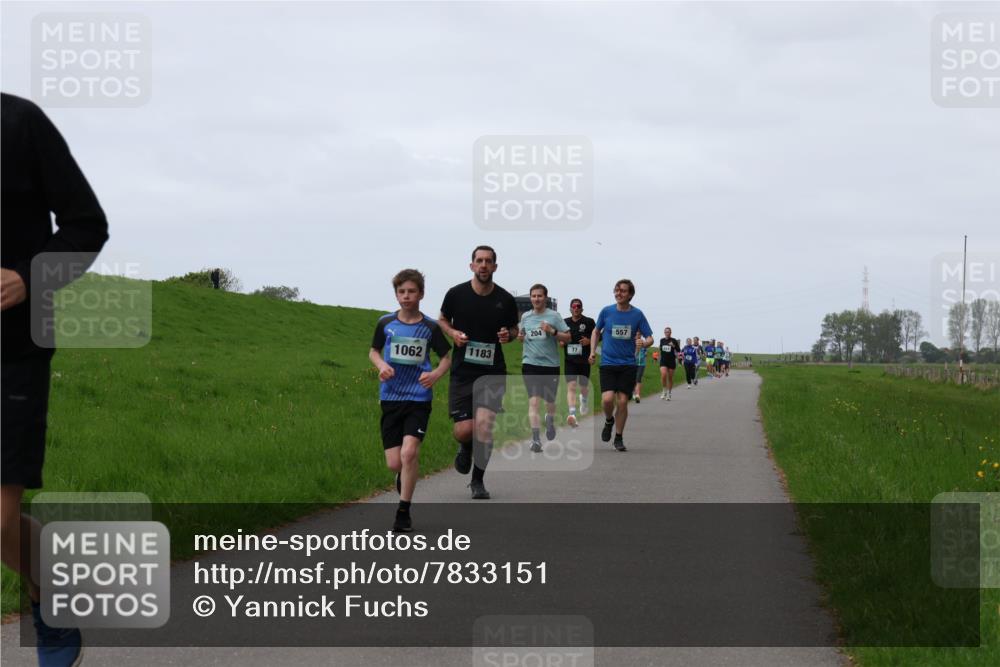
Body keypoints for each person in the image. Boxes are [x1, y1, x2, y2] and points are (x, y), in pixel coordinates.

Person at [2, 92, 109, 667]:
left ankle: (51, 595)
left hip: (11, 351)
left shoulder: (20, 123)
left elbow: (86, 226)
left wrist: (27, 277)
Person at [369, 269, 451, 532]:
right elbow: (373, 351)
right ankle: (403, 475)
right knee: (395, 462)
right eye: (401, 292)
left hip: (418, 397)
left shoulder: (429, 327)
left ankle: (403, 512)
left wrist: (435, 374)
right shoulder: (385, 323)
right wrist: (381, 365)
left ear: (421, 294)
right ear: (396, 294)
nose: (406, 296)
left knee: (409, 452)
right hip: (391, 396)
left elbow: (447, 357)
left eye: (411, 291)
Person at [438, 246, 519, 499]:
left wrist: (509, 335)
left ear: (495, 267)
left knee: (484, 426)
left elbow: (515, 330)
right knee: (464, 430)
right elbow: (441, 319)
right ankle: (465, 447)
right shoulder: (456, 294)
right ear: (472, 265)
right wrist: (453, 333)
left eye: (488, 261)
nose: (483, 265)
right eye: (479, 261)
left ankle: (477, 481)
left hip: (493, 371)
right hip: (463, 371)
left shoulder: (505, 299)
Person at [589, 279, 653, 452]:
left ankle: (618, 437)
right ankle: (609, 420)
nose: (619, 293)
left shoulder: (637, 314)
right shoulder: (606, 311)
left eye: (623, 291)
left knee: (623, 402)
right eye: (617, 290)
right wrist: (592, 351)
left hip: (628, 364)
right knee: (607, 399)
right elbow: (596, 332)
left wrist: (643, 344)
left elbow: (650, 338)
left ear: (630, 294)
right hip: (608, 363)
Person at [517, 284, 570, 452]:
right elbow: (522, 336)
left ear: (545, 298)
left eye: (539, 296)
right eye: (533, 296)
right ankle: (535, 440)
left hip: (550, 365)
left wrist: (552, 331)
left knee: (550, 403)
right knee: (533, 402)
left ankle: (550, 421)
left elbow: (568, 337)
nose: (536, 299)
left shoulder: (554, 316)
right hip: (530, 364)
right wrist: (520, 336)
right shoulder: (525, 317)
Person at [562, 298, 595, 427]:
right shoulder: (564, 322)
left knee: (583, 388)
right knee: (571, 386)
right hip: (570, 360)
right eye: (573, 306)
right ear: (570, 309)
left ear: (582, 308)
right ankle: (572, 414)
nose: (576, 308)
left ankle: (584, 401)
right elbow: (560, 336)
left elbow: (599, 335)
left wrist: (589, 341)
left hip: (584, 360)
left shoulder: (589, 322)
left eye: (578, 306)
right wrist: (561, 341)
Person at [658, 327, 681, 400]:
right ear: (664, 333)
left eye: (668, 332)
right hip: (663, 360)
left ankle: (669, 393)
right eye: (666, 332)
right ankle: (664, 391)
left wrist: (673, 346)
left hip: (671, 361)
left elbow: (678, 350)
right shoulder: (662, 340)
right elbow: (661, 349)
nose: (667, 333)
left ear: (670, 333)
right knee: (663, 375)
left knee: (670, 378)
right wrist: (658, 357)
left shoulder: (673, 340)